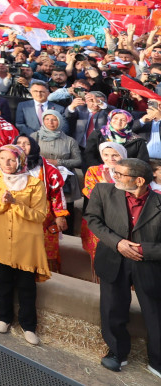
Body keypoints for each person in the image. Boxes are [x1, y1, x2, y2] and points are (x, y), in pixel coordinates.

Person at [85, 158, 161, 377]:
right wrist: (117, 242)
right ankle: (117, 353)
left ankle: (156, 360)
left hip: (148, 263)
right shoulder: (102, 190)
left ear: (139, 180)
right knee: (112, 308)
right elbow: (92, 219)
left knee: (155, 313)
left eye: (119, 173)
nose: (113, 175)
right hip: (112, 258)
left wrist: (144, 251)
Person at [0, 144, 50, 346]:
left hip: (26, 241)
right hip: (0, 238)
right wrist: (3, 202)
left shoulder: (35, 184)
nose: (6, 164)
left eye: (11, 160)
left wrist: (16, 203)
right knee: (3, 278)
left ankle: (28, 325)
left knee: (27, 283)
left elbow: (39, 215)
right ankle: (3, 317)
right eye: (2, 159)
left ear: (20, 161)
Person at [15, 134, 68, 274]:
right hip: (17, 214)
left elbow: (57, 193)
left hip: (44, 216)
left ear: (33, 146)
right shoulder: (8, 164)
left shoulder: (47, 169)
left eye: (26, 143)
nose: (22, 146)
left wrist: (60, 215)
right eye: (19, 143)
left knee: (45, 250)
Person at [81, 142, 127, 278]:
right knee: (98, 256)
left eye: (115, 155)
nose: (110, 159)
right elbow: (92, 194)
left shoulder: (128, 172)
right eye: (106, 155)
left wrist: (108, 185)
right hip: (99, 219)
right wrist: (108, 184)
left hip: (122, 220)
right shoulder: (93, 171)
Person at [85, 109, 150, 167]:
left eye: (123, 120)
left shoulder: (137, 141)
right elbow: (89, 155)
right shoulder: (98, 134)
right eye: (115, 118)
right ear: (110, 119)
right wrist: (101, 169)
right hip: (100, 171)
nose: (118, 122)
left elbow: (142, 162)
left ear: (129, 122)